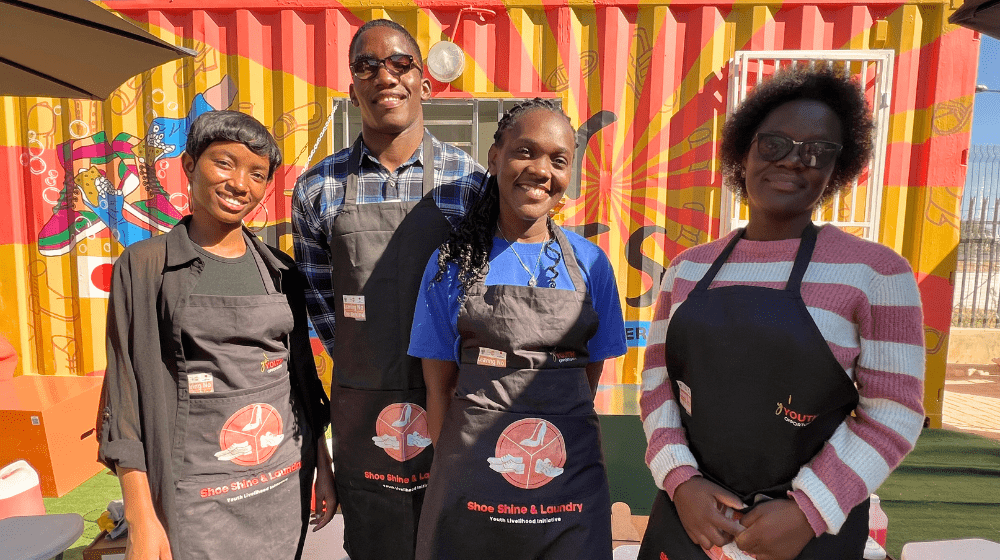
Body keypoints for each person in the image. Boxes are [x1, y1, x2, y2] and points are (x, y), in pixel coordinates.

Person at [637, 65, 926, 560]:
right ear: (743, 151)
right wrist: (682, 484)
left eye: (817, 151)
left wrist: (807, 510)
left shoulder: (876, 273)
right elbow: (657, 386)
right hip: (693, 524)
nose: (793, 161)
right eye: (773, 144)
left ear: (837, 168)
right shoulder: (688, 269)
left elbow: (893, 414)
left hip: (805, 537)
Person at [97, 110, 336, 560]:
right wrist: (143, 518)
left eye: (257, 173)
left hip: (280, 487)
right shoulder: (146, 267)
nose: (239, 184)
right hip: (196, 494)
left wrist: (322, 465)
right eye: (224, 163)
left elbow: (300, 382)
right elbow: (125, 396)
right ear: (189, 165)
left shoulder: (281, 270)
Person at [291, 19, 486, 560]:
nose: (385, 76)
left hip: (449, 401)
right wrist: (366, 361)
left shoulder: (467, 183)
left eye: (400, 63)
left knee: (451, 539)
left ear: (425, 82)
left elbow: (479, 300)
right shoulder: (318, 188)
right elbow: (318, 300)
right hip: (362, 406)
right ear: (352, 87)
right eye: (367, 66)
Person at [409, 98, 628, 559]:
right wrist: (458, 475)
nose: (540, 170)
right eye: (525, 152)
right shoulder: (452, 264)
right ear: (495, 157)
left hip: (568, 480)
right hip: (472, 479)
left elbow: (587, 378)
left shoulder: (592, 266)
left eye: (558, 160)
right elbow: (439, 388)